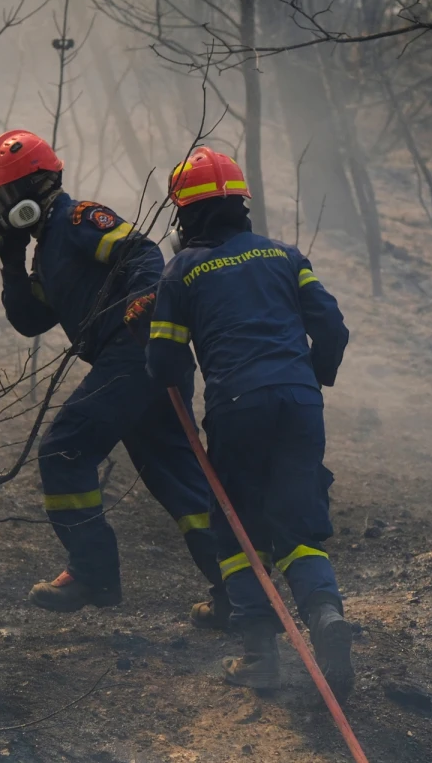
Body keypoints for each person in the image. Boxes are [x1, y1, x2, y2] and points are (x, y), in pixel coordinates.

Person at [0, 129, 228, 628]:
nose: (5, 208)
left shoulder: (78, 220)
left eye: (9, 196)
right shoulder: (46, 251)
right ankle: (239, 594)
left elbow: (143, 255)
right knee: (184, 486)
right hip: (145, 363)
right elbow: (30, 319)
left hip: (135, 354)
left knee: (64, 449)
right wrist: (9, 259)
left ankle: (93, 571)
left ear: (38, 185)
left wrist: (141, 311)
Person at [138, 147, 354, 698]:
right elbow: (329, 326)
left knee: (237, 531)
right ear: (242, 206)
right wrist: (312, 378)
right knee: (299, 527)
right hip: (300, 403)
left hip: (237, 407)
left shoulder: (181, 271)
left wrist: (179, 401)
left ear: (185, 216)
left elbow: (163, 362)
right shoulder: (286, 257)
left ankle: (261, 656)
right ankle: (326, 615)